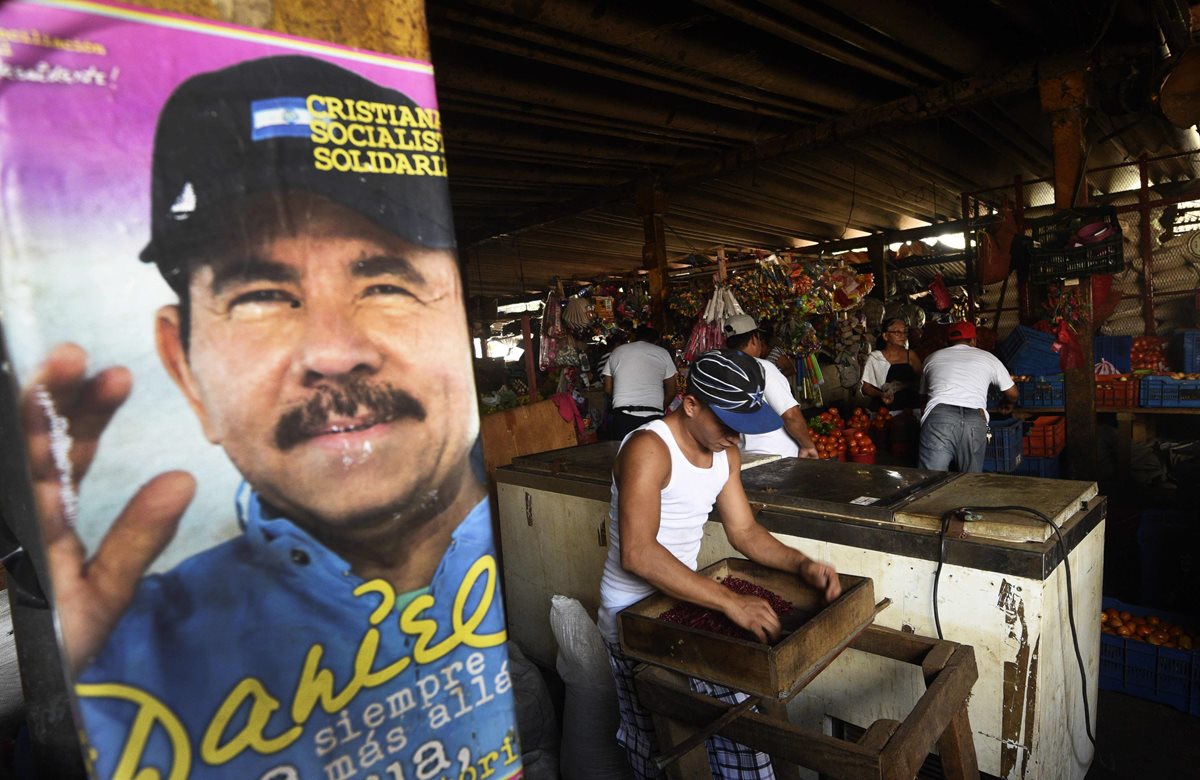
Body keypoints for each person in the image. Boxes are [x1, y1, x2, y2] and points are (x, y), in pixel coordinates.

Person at [21, 56, 520, 779]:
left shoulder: (523, 572)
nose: (333, 352)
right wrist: (86, 726)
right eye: (259, 294)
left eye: (385, 282)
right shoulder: (124, 660)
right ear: (186, 369)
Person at [597, 349, 841, 779]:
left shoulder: (725, 454)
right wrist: (730, 602)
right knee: (660, 749)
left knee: (730, 739)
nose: (736, 438)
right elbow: (638, 553)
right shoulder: (648, 448)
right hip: (631, 618)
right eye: (727, 425)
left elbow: (744, 531)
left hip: (685, 603)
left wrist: (802, 565)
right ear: (690, 404)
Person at [918, 321, 1018, 472]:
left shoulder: (932, 358)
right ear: (974, 340)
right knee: (970, 481)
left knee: (930, 481)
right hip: (975, 418)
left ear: (948, 341)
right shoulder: (988, 358)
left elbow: (923, 397)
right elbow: (1013, 393)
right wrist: (1009, 404)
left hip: (939, 417)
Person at [722, 314, 819, 459]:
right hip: (777, 456)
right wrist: (808, 445)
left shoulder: (721, 372)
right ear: (754, 339)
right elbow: (791, 415)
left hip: (744, 457)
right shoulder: (762, 368)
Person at [602, 323, 678, 440]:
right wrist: (659, 407)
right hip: (653, 416)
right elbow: (672, 390)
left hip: (622, 415)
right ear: (656, 341)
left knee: (624, 454)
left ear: (635, 339)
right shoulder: (663, 353)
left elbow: (607, 388)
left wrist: (622, 399)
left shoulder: (617, 352)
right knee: (652, 455)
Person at [860, 317, 923, 411]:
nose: (903, 336)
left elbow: (922, 381)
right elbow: (866, 388)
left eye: (905, 332)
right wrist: (882, 394)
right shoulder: (875, 358)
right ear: (885, 336)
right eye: (897, 332)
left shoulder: (911, 355)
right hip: (883, 410)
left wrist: (902, 385)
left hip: (909, 408)